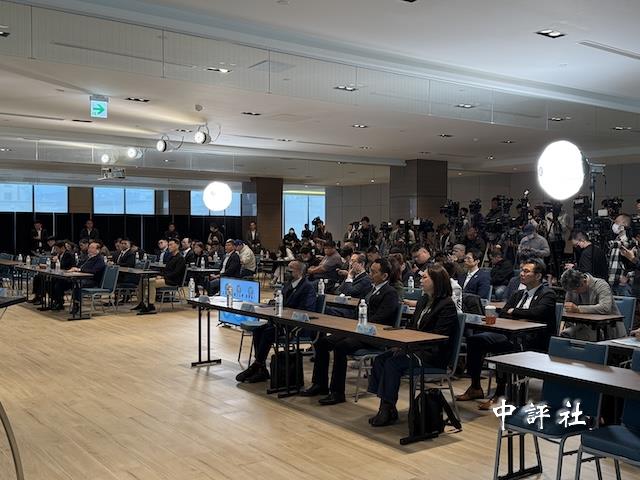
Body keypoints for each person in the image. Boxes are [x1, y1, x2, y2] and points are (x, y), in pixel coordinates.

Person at [457, 258, 556, 409]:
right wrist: (518, 314)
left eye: (526, 271)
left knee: (505, 347)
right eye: (522, 270)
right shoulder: (518, 294)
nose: (521, 274)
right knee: (475, 340)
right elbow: (503, 313)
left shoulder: (548, 294)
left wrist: (514, 311)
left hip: (533, 340)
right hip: (512, 334)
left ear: (538, 276)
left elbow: (537, 312)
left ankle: (500, 394)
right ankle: (475, 387)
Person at [367, 264, 459, 426]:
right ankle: (387, 405)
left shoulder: (447, 305)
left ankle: (386, 409)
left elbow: (438, 337)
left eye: (424, 277)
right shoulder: (423, 301)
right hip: (415, 348)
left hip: (433, 355)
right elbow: (412, 326)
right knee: (381, 359)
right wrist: (401, 343)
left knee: (392, 364)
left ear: (436, 281)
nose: (420, 280)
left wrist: (409, 346)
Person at [302, 258, 399, 405]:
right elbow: (358, 310)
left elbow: (382, 317)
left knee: (341, 347)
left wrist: (360, 325)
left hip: (374, 335)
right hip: (358, 330)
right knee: (322, 342)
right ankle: (320, 384)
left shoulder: (390, 293)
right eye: (370, 271)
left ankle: (337, 392)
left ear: (384, 276)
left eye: (374, 272)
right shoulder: (371, 289)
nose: (370, 274)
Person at [235, 261, 317, 383]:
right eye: (287, 269)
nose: (287, 272)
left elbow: (307, 310)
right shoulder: (288, 284)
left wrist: (286, 311)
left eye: (291, 270)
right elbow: (281, 302)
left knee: (268, 333)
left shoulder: (307, 287)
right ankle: (261, 368)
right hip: (281, 322)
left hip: (297, 326)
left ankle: (257, 365)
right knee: (258, 330)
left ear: (300, 272)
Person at [559, 269, 625, 340]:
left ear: (583, 282)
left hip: (609, 331)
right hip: (584, 330)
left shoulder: (601, 285)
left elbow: (605, 308)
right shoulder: (572, 288)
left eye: (576, 290)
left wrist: (578, 309)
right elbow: (566, 309)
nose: (574, 293)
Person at [133, 238, 186, 313]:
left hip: (172, 281)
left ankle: (151, 305)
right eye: (169, 245)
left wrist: (162, 277)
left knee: (151, 282)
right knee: (143, 281)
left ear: (177, 245)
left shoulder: (180, 258)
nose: (169, 247)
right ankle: (141, 303)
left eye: (171, 245)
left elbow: (176, 273)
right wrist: (158, 275)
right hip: (166, 278)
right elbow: (166, 270)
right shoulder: (171, 257)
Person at [66, 241, 106, 315]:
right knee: (73, 282)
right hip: (84, 278)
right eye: (89, 247)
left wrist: (79, 270)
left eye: (92, 248)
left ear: (98, 250)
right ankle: (74, 303)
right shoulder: (88, 257)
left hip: (93, 281)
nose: (89, 249)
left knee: (78, 283)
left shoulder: (99, 259)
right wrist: (75, 268)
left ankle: (77, 305)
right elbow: (80, 266)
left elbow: (94, 271)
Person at [607, 213, 636, 296]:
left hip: (623, 284)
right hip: (613, 281)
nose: (614, 224)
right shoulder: (616, 240)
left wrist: (628, 278)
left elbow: (633, 262)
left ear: (624, 224)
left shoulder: (630, 241)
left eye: (616, 222)